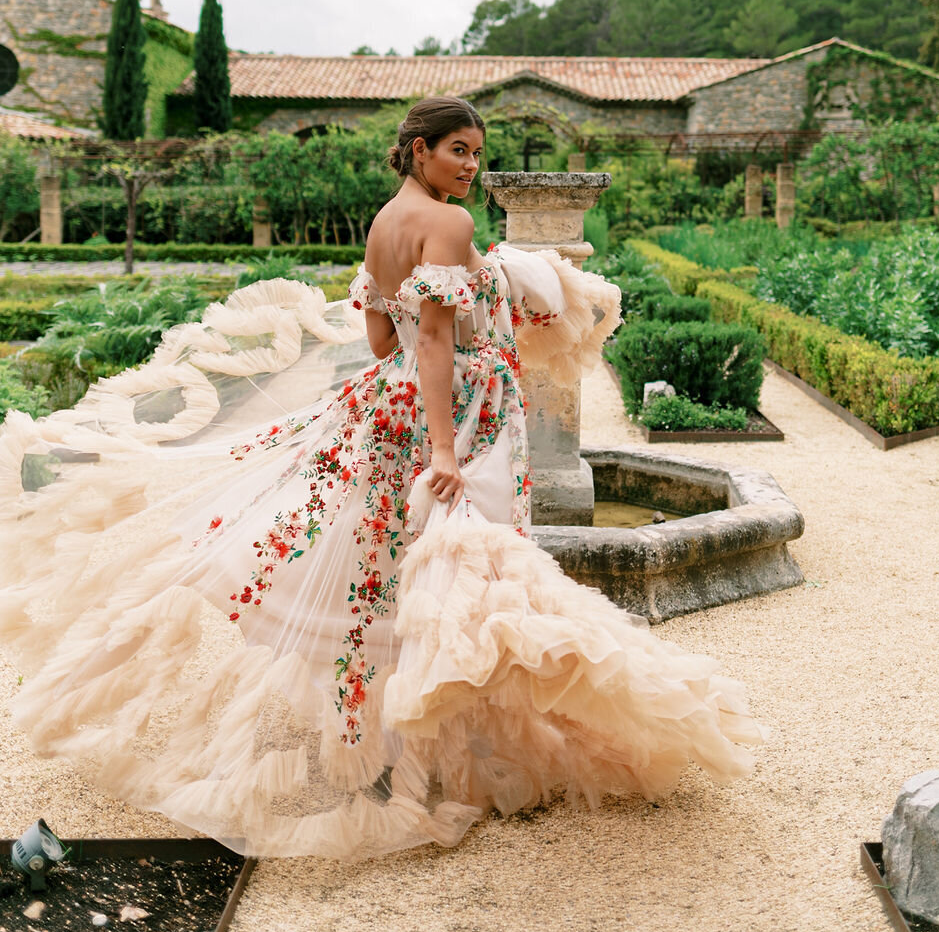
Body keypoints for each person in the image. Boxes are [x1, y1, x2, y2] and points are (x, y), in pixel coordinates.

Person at [0, 98, 762, 860]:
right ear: (421, 151)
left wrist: (460, 322)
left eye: (476, 152)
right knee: (468, 571)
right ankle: (423, 747)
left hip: (389, 405)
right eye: (458, 151)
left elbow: (378, 336)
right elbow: (432, 338)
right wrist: (444, 448)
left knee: (388, 569)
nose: (470, 166)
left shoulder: (382, 223)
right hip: (458, 415)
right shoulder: (453, 226)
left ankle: (389, 748)